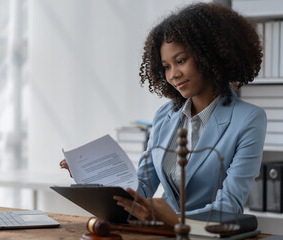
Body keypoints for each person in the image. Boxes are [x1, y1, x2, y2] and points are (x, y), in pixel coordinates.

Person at [61, 2, 267, 226]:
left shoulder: (248, 119)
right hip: (157, 231)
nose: (173, 75)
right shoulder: (166, 115)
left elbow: (229, 206)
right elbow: (141, 186)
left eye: (180, 61)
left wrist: (174, 219)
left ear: (210, 56)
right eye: (166, 66)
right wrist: (93, 181)